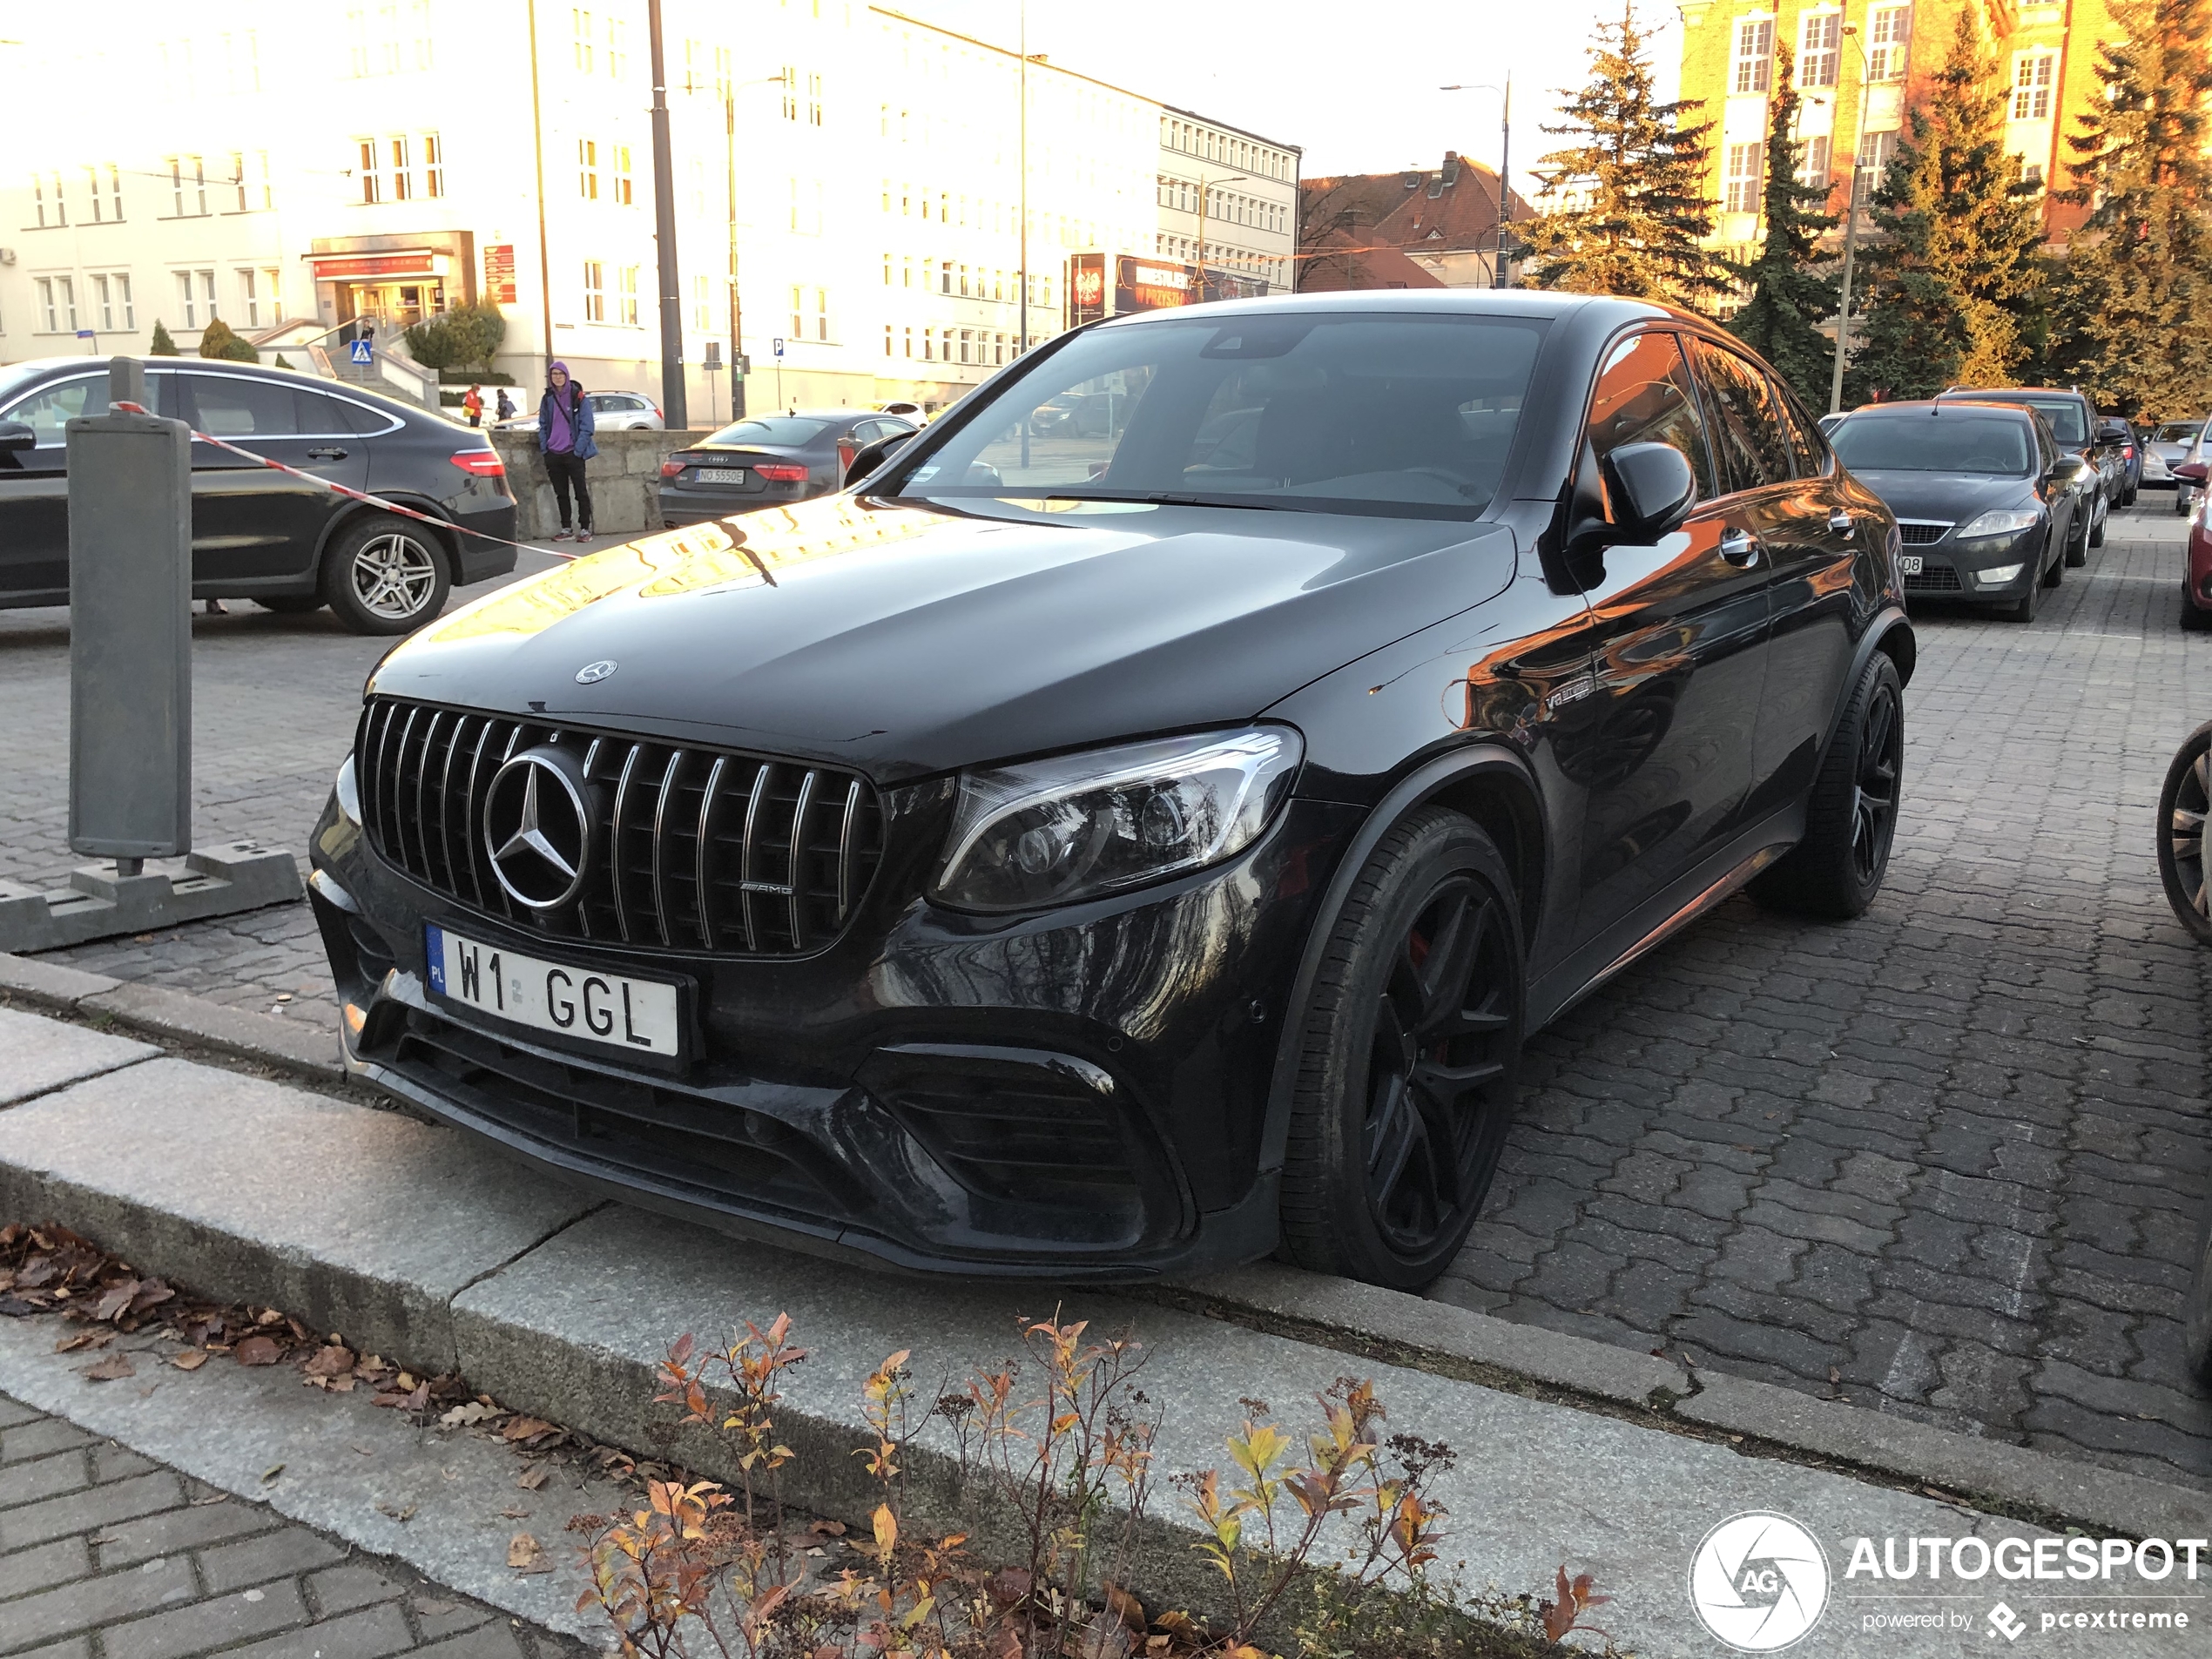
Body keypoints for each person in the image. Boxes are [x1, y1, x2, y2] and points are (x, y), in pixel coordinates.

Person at [536, 361, 597, 543]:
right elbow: (543, 424)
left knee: (581, 492)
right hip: (553, 453)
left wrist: (577, 450)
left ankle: (585, 529)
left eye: (560, 374)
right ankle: (566, 528)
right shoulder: (547, 398)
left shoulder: (578, 397)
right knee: (561, 493)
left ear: (566, 375)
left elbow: (588, 427)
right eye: (554, 374)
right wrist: (545, 447)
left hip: (573, 452)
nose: (557, 377)